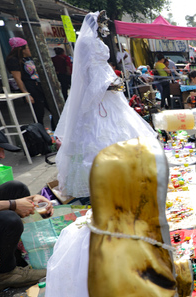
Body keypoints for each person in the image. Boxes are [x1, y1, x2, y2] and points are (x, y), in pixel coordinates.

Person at [55, 11, 155, 199]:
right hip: (99, 95)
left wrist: (113, 81)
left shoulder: (97, 41)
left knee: (123, 129)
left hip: (110, 95)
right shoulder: (85, 43)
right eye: (101, 22)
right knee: (97, 136)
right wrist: (105, 86)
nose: (104, 25)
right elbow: (88, 74)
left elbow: (103, 68)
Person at [0, 124, 51, 291]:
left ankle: (18, 252)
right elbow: (1, 208)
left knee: (16, 188)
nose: (1, 155)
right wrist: (13, 205)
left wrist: (31, 198)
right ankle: (2, 274)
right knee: (9, 217)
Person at [5, 37, 49, 126]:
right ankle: (40, 133)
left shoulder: (30, 58)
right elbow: (17, 78)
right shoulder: (13, 60)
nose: (30, 50)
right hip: (31, 87)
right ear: (21, 49)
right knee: (38, 112)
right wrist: (26, 94)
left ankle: (56, 131)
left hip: (40, 86)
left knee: (53, 108)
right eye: (28, 48)